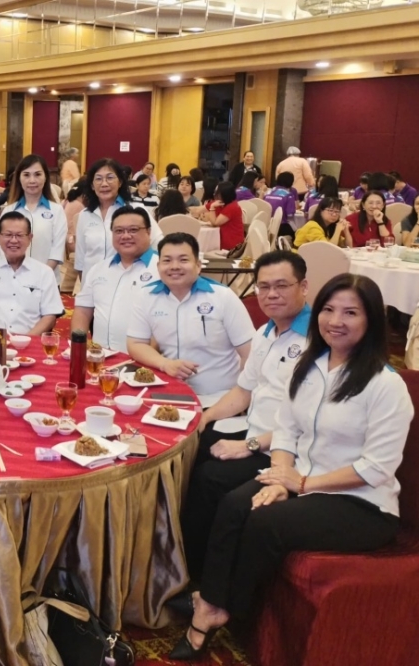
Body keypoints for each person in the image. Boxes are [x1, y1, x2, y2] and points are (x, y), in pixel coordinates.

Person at [172, 273, 412, 660]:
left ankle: (220, 608)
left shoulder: (385, 385)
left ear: (371, 321)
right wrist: (281, 475)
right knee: (234, 502)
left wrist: (300, 482)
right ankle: (213, 601)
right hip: (303, 476)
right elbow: (286, 429)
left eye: (351, 312)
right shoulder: (311, 365)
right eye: (329, 310)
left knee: (265, 521)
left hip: (360, 501)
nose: (337, 320)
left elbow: (376, 468)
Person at [180, 251, 310, 586]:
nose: (271, 294)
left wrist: (248, 444)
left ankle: (197, 577)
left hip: (287, 452)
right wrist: (204, 419)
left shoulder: (318, 341)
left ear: (304, 286)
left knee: (209, 478)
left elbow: (305, 421)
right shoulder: (265, 332)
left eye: (282, 286)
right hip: (253, 430)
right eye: (264, 286)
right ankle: (174, 555)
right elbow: (242, 392)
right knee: (186, 447)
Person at [127, 232, 255, 401]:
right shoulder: (146, 296)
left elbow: (251, 353)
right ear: (158, 266)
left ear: (198, 265)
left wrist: (244, 398)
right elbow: (135, 343)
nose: (174, 266)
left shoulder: (222, 296)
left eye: (183, 260)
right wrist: (165, 364)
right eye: (167, 260)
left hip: (219, 397)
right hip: (167, 394)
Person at [71, 207, 159, 352]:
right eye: (119, 231)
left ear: (148, 232)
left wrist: (148, 358)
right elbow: (82, 310)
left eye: (133, 230)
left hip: (142, 362)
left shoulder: (163, 270)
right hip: (98, 358)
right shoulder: (99, 269)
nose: (125, 236)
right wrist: (78, 348)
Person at [0, 211, 64, 335]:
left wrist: (27, 339)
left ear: (30, 238)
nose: (14, 240)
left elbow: (50, 315)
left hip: (30, 341)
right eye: (8, 235)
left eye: (20, 235)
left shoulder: (45, 273)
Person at [76, 157, 164, 281]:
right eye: (98, 179)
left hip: (129, 281)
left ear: (121, 182)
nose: (104, 183)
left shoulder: (136, 210)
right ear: (92, 185)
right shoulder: (85, 215)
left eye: (110, 177)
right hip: (93, 283)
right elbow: (81, 259)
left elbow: (158, 243)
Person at [0, 154, 65, 284]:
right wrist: (15, 274)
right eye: (26, 175)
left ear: (46, 177)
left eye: (37, 174)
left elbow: (57, 249)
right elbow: (2, 248)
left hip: (47, 280)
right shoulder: (9, 211)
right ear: (19, 178)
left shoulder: (56, 211)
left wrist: (42, 276)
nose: (32, 180)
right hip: (13, 281)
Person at [60, 177, 89, 293]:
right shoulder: (79, 206)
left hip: (66, 238)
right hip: (72, 240)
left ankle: (67, 288)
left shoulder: (67, 201)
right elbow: (75, 229)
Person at [207, 181, 245, 251]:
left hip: (232, 246)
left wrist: (212, 207)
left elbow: (215, 223)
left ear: (224, 194)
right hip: (227, 241)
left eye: (217, 193)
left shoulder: (232, 207)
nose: (215, 194)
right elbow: (199, 210)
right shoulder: (223, 204)